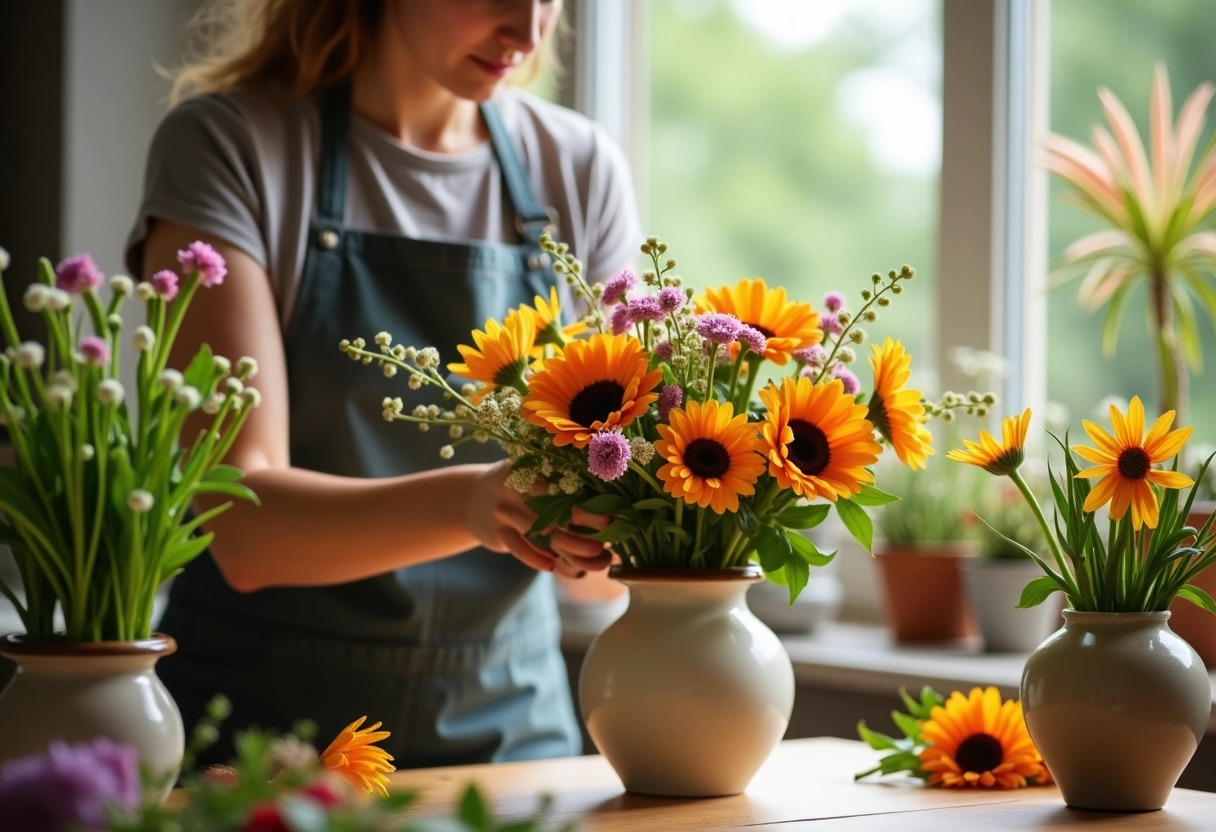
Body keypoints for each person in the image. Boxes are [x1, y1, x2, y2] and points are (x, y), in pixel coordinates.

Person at [125, 0, 641, 768]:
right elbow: (244, 530)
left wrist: (625, 531)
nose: (529, 30)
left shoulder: (578, 166)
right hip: (267, 742)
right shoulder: (231, 146)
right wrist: (474, 504)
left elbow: (602, 586)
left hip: (513, 740)